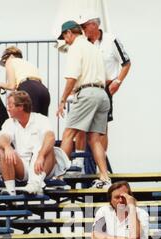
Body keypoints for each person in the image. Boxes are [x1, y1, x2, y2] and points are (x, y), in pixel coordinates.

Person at [56, 20, 111, 189]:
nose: (65, 41)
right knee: (94, 139)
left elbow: (72, 76)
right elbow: (107, 76)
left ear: (69, 34)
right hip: (103, 94)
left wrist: (63, 99)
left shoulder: (75, 48)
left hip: (87, 93)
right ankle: (104, 176)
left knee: (68, 133)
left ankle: (59, 177)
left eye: (65, 37)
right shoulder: (94, 48)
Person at [79, 12, 131, 154]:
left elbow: (126, 63)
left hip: (105, 87)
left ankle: (99, 163)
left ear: (94, 25)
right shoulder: (82, 44)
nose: (82, 29)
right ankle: (80, 162)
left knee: (101, 128)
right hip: (85, 87)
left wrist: (118, 81)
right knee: (81, 126)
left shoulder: (111, 40)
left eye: (84, 26)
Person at [0, 91, 69, 195]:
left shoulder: (41, 119)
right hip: (22, 167)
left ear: (20, 107)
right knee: (3, 150)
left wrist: (41, 155)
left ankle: (36, 184)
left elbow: (50, 137)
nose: (7, 108)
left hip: (42, 166)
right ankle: (10, 191)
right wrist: (7, 146)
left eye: (10, 105)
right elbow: (2, 138)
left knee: (49, 149)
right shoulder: (9, 122)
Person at [0, 46, 50, 116]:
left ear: (10, 56)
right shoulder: (27, 63)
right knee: (42, 121)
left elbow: (12, 86)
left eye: (4, 61)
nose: (5, 63)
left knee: (30, 122)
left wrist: (0, 84)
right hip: (43, 89)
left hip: (29, 89)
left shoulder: (10, 61)